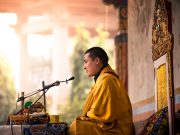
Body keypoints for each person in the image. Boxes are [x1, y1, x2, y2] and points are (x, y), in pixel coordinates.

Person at [68, 47, 135, 135]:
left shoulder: (107, 80)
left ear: (96, 61)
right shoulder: (102, 78)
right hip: (110, 126)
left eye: (86, 61)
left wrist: (86, 116)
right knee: (78, 124)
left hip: (118, 129)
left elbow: (99, 112)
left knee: (77, 127)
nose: (84, 67)